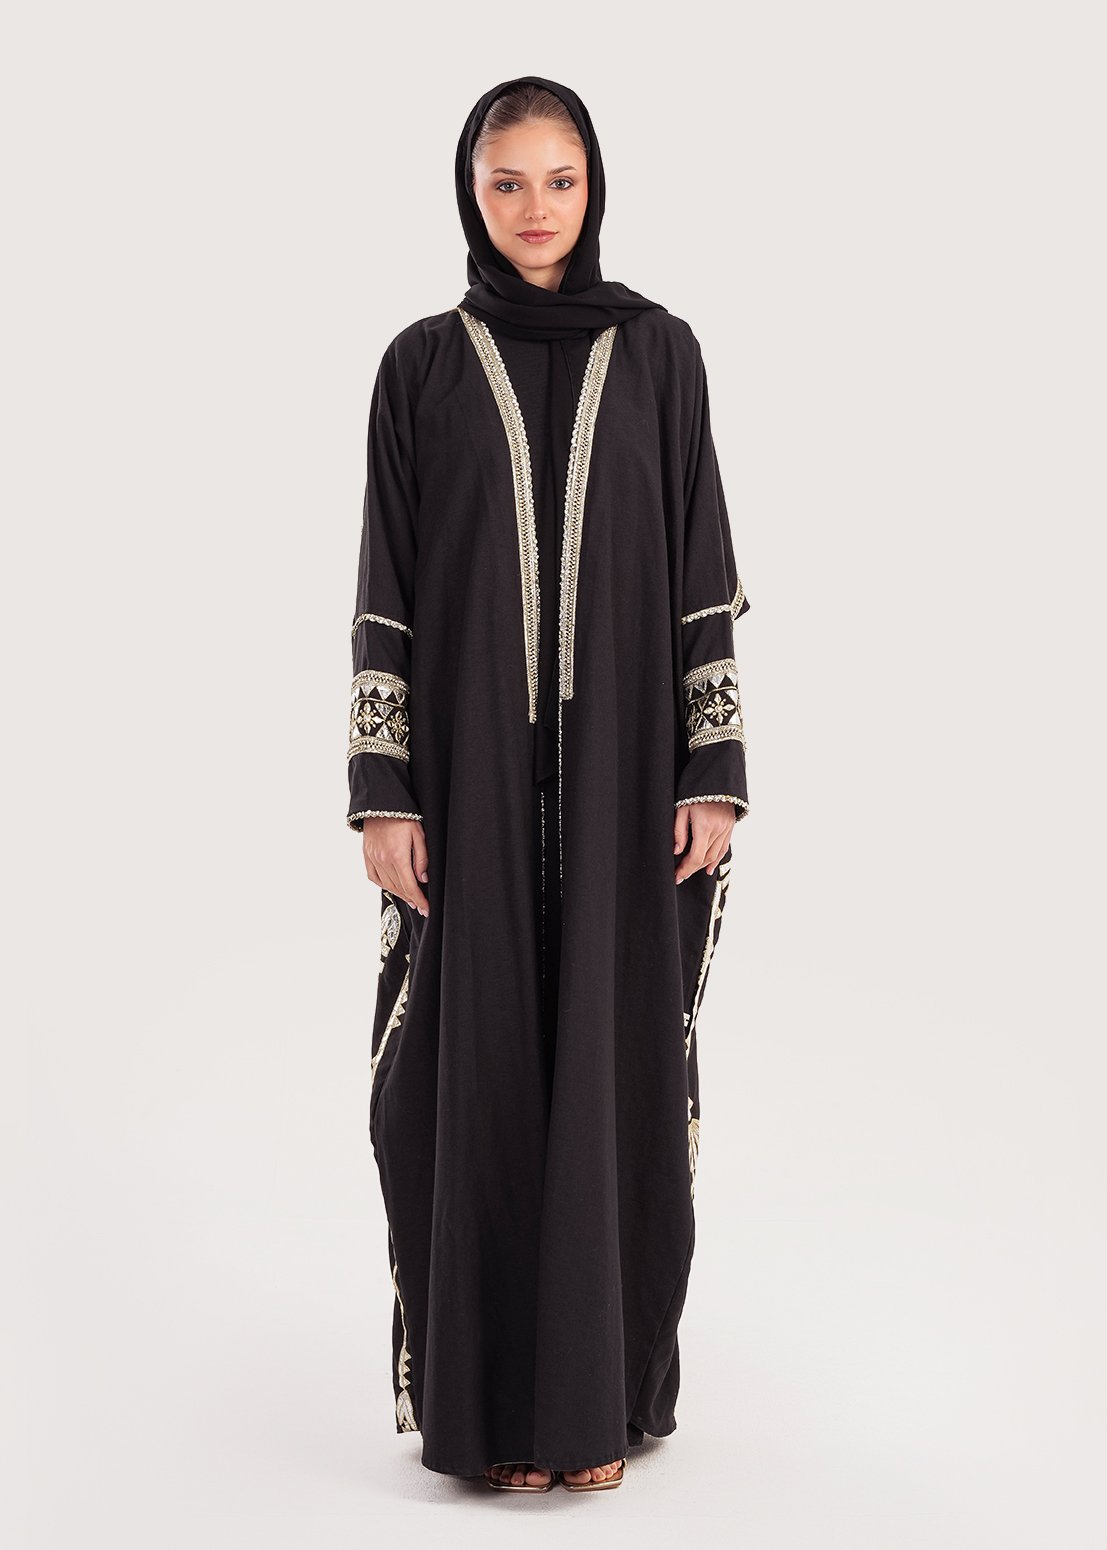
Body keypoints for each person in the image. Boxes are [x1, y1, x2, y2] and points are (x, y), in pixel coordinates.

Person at [345, 74, 751, 1493]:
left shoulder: (662, 355)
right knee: (473, 1076)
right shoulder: (420, 367)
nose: (534, 208)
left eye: (559, 180)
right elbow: (386, 586)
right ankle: (493, 1412)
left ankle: (595, 1407)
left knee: (613, 1064)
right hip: (463, 788)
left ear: (594, 187)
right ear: (472, 193)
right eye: (506, 181)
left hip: (628, 783)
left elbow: (701, 562)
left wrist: (712, 765)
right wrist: (385, 791)